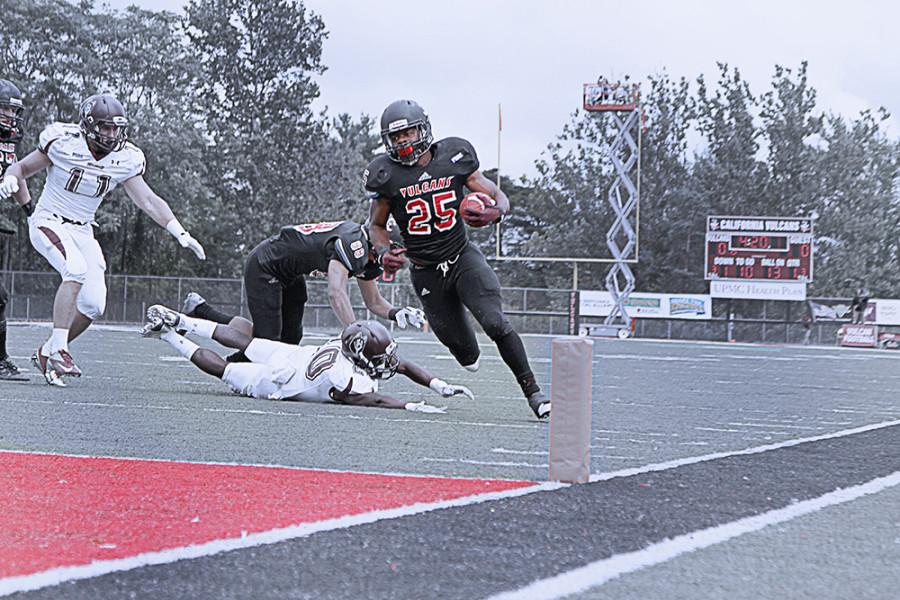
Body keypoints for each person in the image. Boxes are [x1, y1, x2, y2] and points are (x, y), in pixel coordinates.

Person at [0, 93, 206, 386]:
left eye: (115, 128)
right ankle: (60, 348)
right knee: (75, 269)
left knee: (94, 305)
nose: (111, 134)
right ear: (87, 125)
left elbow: (148, 200)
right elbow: (21, 167)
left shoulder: (126, 158)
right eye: (105, 127)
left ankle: (46, 352)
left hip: (84, 229)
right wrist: (11, 179)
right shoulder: (63, 142)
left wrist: (180, 233)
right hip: (49, 220)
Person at [364, 99, 549, 420]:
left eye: (407, 132)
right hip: (425, 273)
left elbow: (495, 193)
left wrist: (498, 212)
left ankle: (534, 393)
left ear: (423, 129)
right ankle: (461, 340)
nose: (403, 141)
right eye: (395, 137)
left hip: (462, 257)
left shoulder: (454, 156)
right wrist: (384, 251)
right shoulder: (385, 174)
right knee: (467, 356)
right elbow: (376, 225)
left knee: (495, 323)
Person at [141, 305, 472, 412]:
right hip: (282, 380)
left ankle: (181, 321)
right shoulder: (347, 379)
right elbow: (377, 398)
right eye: (380, 357)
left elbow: (404, 366)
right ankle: (168, 334)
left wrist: (438, 385)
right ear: (360, 354)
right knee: (226, 370)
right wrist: (412, 406)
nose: (389, 363)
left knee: (245, 340)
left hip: (293, 357)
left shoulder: (345, 346)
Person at [182, 219, 425, 361]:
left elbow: (373, 301)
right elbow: (335, 293)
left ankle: (200, 309)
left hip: (289, 272)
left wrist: (396, 312)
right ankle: (223, 347)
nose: (397, 258)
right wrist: (355, 334)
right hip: (266, 265)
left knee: (290, 340)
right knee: (266, 344)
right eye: (395, 250)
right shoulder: (354, 244)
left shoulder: (368, 256)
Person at [0, 79, 28, 380]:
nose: (11, 116)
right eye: (5, 109)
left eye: (13, 110)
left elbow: (16, 171)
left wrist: (30, 211)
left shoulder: (9, 140)